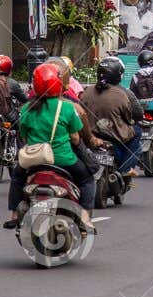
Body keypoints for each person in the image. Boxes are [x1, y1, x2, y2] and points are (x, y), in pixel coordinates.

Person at [6, 62, 97, 229]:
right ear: (58, 83)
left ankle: (13, 214)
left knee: (17, 177)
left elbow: (24, 137)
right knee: (87, 179)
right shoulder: (67, 107)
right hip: (63, 160)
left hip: (33, 161)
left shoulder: (27, 108)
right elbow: (76, 138)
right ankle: (84, 217)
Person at [82, 57, 143, 174]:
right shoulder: (124, 93)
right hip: (113, 136)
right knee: (138, 135)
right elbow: (132, 115)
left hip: (90, 135)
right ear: (118, 75)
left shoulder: (87, 91)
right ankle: (124, 171)